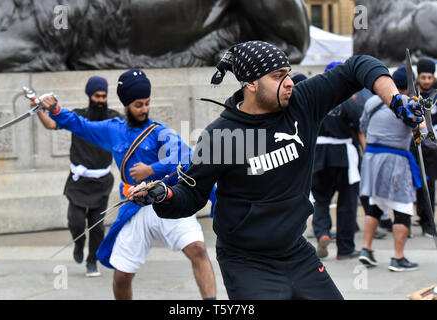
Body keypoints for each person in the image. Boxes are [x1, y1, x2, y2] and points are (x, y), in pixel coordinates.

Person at [128, 40, 423, 299]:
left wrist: (396, 102)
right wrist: (162, 194)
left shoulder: (302, 103)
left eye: (288, 74)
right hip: (247, 262)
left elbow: (359, 65)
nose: (289, 82)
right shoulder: (221, 136)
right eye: (278, 76)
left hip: (296, 251)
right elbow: (190, 197)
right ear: (251, 84)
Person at [39, 69, 217, 300]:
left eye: (147, 103)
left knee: (198, 250)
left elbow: (184, 156)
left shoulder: (158, 132)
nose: (144, 109)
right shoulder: (113, 129)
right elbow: (80, 125)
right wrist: (54, 110)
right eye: (138, 104)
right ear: (126, 104)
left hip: (167, 198)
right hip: (135, 207)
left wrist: (152, 169)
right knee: (122, 275)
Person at [36, 76, 122, 277]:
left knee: (97, 227)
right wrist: (39, 108)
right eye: (97, 96)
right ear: (89, 95)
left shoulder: (113, 119)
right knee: (75, 222)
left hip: (101, 183)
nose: (101, 100)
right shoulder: (77, 118)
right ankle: (78, 243)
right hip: (78, 181)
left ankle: (92, 260)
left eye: (104, 96)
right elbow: (50, 124)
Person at [358, 66, 423, 272]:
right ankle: (398, 257)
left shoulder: (372, 102)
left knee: (375, 204)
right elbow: (420, 127)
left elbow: (363, 127)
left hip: (372, 158)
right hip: (394, 160)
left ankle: (366, 250)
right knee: (402, 208)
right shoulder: (406, 103)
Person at [311, 62, 362, 260]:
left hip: (319, 153)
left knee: (321, 198)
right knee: (347, 202)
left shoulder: (315, 100)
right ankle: (345, 248)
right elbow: (360, 128)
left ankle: (322, 232)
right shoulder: (349, 102)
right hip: (344, 153)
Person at [413, 58, 437, 238]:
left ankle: (427, 221)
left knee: (430, 185)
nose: (427, 80)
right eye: (424, 77)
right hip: (417, 147)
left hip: (434, 147)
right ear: (418, 77)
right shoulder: (412, 95)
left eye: (430, 77)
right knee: (423, 186)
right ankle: (425, 221)